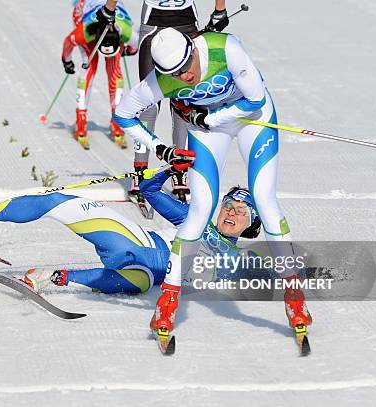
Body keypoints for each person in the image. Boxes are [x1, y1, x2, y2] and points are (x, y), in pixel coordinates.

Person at [113, 28, 313, 338]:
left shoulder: (225, 49)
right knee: (201, 208)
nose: (184, 78)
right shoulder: (161, 81)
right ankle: (167, 302)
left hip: (253, 118)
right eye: (174, 74)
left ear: (193, 50)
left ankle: (294, 297)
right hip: (207, 127)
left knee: (263, 197)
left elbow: (255, 97)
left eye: (185, 68)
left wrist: (210, 119)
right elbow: (123, 115)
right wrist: (159, 147)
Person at [0, 170, 262, 295]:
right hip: (132, 240)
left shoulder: (239, 258)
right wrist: (171, 167)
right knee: (58, 201)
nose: (231, 213)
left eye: (240, 212)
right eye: (229, 206)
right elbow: (150, 190)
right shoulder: (195, 218)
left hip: (145, 273)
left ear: (251, 225)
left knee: (138, 284)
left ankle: (50, 278)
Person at [95, 0, 231, 203]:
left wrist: (220, 10)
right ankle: (140, 170)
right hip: (153, 26)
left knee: (183, 103)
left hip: (186, 24)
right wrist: (109, 8)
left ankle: (179, 168)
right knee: (148, 105)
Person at [62, 0, 139, 150]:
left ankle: (116, 121)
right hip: (88, 18)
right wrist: (67, 60)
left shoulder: (127, 31)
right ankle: (81, 122)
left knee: (115, 72)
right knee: (89, 65)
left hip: (114, 23)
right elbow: (68, 42)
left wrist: (127, 51)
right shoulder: (85, 31)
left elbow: (136, 46)